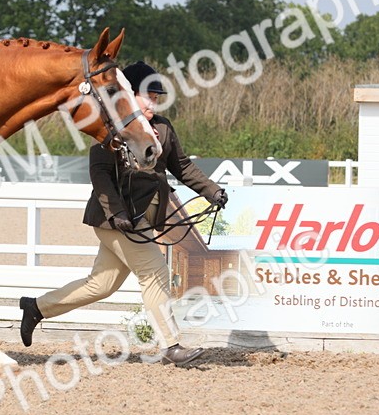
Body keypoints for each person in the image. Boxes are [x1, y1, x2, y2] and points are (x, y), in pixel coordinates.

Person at [19, 61, 228, 366]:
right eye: (148, 97)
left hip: (141, 219)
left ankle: (36, 307)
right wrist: (116, 213)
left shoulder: (163, 128)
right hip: (115, 219)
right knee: (154, 272)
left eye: (156, 98)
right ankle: (170, 345)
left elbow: (181, 166)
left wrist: (212, 190)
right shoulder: (110, 128)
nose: (153, 104)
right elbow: (100, 174)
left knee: (101, 285)